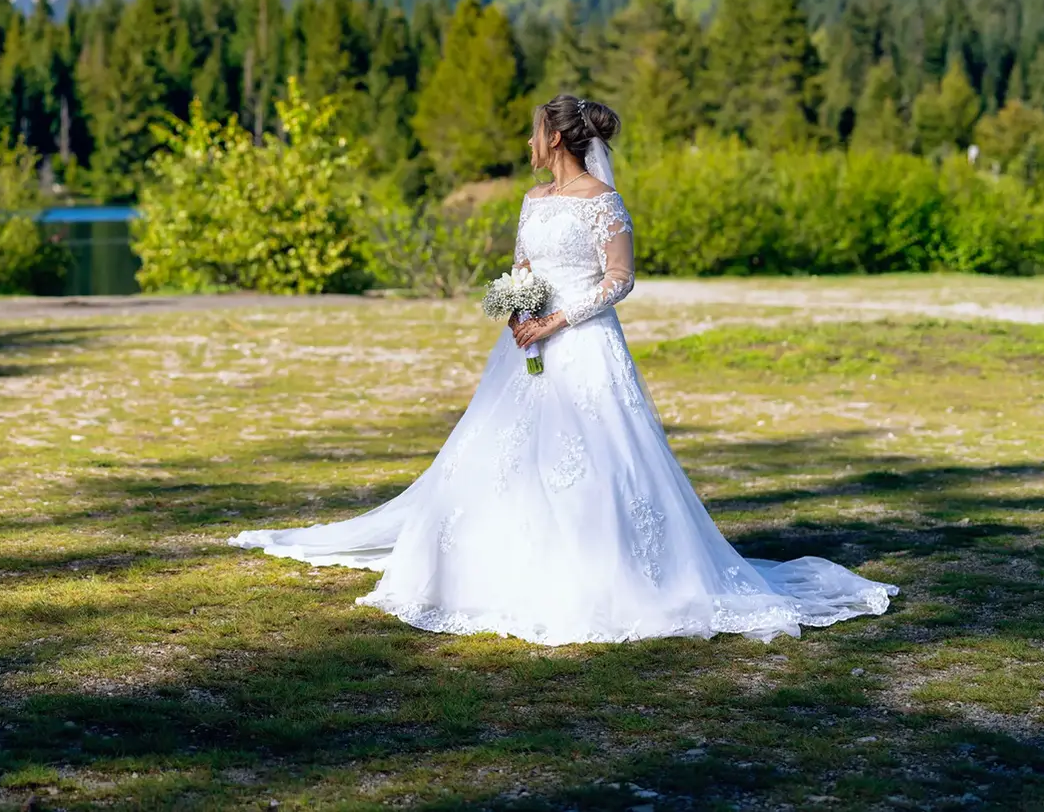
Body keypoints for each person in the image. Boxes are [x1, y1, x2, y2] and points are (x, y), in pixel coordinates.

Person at [230, 95, 897, 644]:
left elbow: (619, 279)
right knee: (500, 457)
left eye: (532, 132)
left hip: (582, 344)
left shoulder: (603, 202)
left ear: (554, 136)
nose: (527, 142)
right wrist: (517, 305)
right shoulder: (532, 199)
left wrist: (557, 319)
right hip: (524, 345)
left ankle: (612, 573)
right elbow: (523, 263)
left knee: (596, 462)